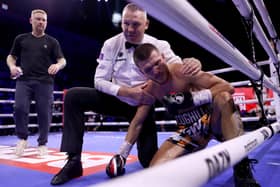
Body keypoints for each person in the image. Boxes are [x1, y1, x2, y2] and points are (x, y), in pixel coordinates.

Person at [50, 3, 201, 185]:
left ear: (146, 24)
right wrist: (127, 92)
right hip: (115, 99)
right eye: (125, 23)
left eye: (135, 24)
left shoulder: (159, 45)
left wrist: (191, 62)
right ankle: (73, 161)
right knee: (74, 96)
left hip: (143, 105)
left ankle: (186, 148)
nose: (129, 29)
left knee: (148, 161)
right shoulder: (111, 44)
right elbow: (99, 80)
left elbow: (177, 67)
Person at [106, 43, 260, 187]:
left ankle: (242, 168)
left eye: (157, 63)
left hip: (212, 121)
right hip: (189, 132)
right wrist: (122, 154)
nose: (155, 70)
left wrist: (193, 99)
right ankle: (190, 160)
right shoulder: (150, 90)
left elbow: (227, 87)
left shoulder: (182, 71)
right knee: (154, 170)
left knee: (224, 98)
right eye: (148, 69)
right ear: (141, 72)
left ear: (163, 57)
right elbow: (138, 122)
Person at [6, 9, 66, 157]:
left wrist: (57, 66)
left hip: (44, 82)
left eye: (44, 20)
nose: (41, 22)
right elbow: (11, 57)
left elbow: (62, 60)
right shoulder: (21, 39)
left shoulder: (52, 41)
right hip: (24, 80)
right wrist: (12, 67)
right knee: (19, 108)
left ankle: (42, 143)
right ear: (31, 21)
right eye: (38, 19)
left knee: (45, 113)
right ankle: (22, 139)